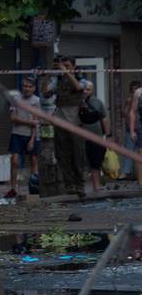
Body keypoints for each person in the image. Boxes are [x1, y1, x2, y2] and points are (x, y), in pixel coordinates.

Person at [51, 59, 88, 197]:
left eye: (67, 66)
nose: (63, 68)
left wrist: (65, 71)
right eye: (62, 65)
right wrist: (49, 74)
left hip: (76, 125)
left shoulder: (81, 80)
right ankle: (70, 186)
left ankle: (80, 185)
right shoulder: (58, 82)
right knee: (62, 156)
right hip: (60, 125)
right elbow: (44, 91)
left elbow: (78, 88)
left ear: (74, 67)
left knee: (78, 156)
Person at [5, 75, 40, 199]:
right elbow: (13, 118)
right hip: (17, 134)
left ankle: (34, 188)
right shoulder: (15, 99)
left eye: (30, 86)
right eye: (25, 86)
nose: (27, 88)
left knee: (34, 161)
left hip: (31, 135)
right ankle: (13, 188)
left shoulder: (36, 101)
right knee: (14, 161)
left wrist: (32, 139)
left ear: (34, 88)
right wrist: (29, 122)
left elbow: (36, 122)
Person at [81, 79, 110, 196]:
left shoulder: (98, 102)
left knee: (95, 164)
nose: (85, 91)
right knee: (79, 164)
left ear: (92, 90)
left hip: (96, 138)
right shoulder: (75, 103)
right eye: (83, 89)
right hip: (79, 138)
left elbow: (105, 118)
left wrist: (107, 136)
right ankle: (79, 188)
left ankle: (96, 187)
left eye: (88, 89)